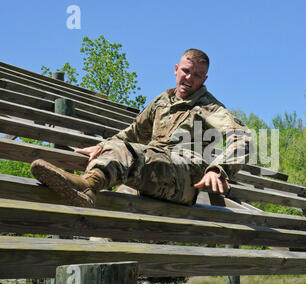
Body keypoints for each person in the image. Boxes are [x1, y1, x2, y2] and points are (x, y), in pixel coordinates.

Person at [30, 49, 251, 208]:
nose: (189, 78)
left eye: (197, 75)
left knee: (127, 153)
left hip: (183, 177)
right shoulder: (161, 102)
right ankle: (88, 193)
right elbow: (134, 132)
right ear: (176, 69)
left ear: (205, 79)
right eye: (185, 71)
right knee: (108, 222)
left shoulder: (210, 108)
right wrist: (102, 145)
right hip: (152, 169)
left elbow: (243, 138)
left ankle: (87, 185)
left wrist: (217, 169)